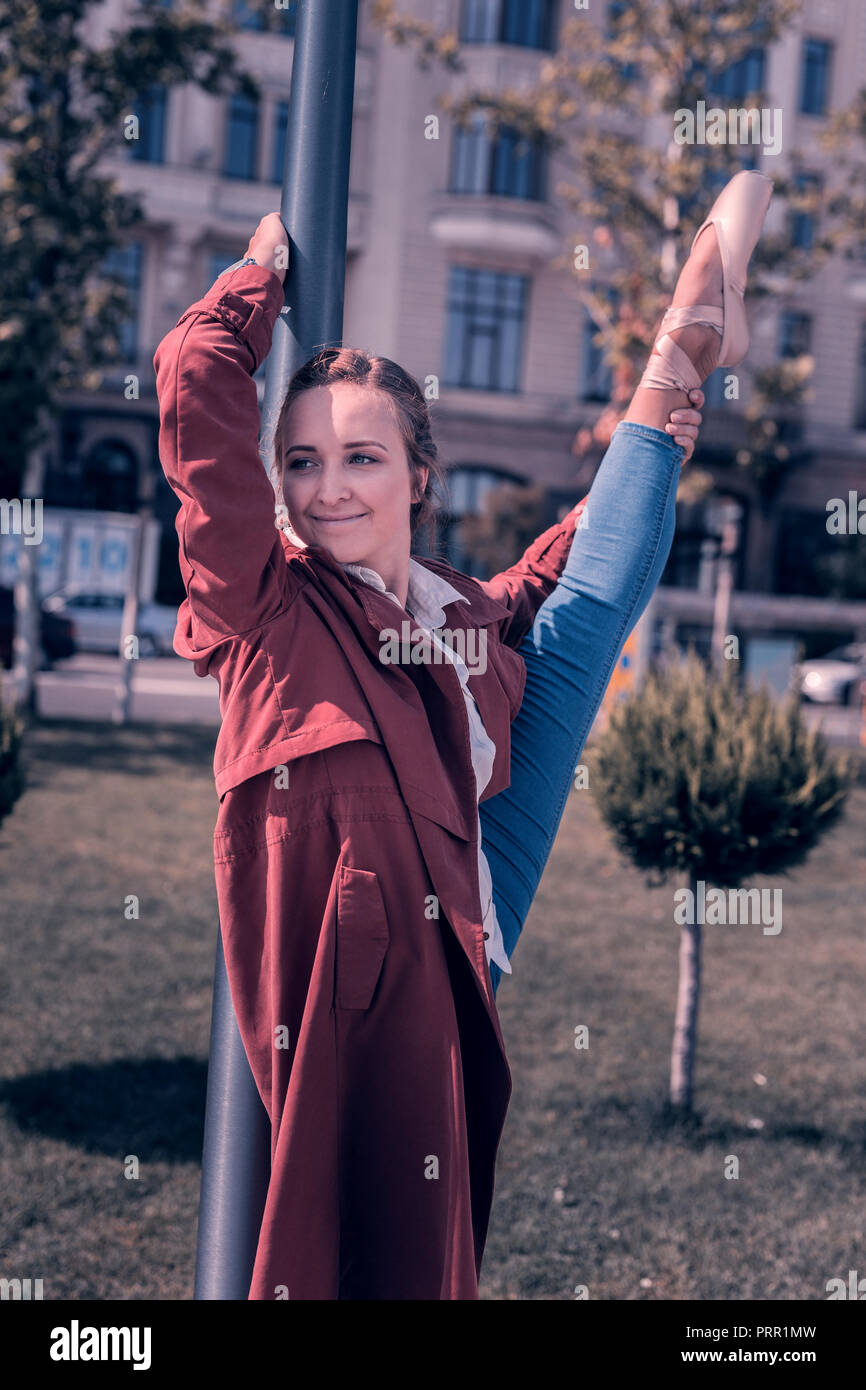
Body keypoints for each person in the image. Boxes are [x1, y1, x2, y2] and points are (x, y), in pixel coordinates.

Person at [153, 168, 772, 1299]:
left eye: (360, 458)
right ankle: (670, 375)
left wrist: (623, 470)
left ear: (418, 477)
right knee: (356, 1239)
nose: (324, 489)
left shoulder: (453, 608)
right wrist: (253, 285)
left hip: (472, 879)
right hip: (378, 952)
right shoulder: (266, 603)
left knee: (579, 615)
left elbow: (542, 581)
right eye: (300, 461)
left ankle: (676, 366)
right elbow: (194, 387)